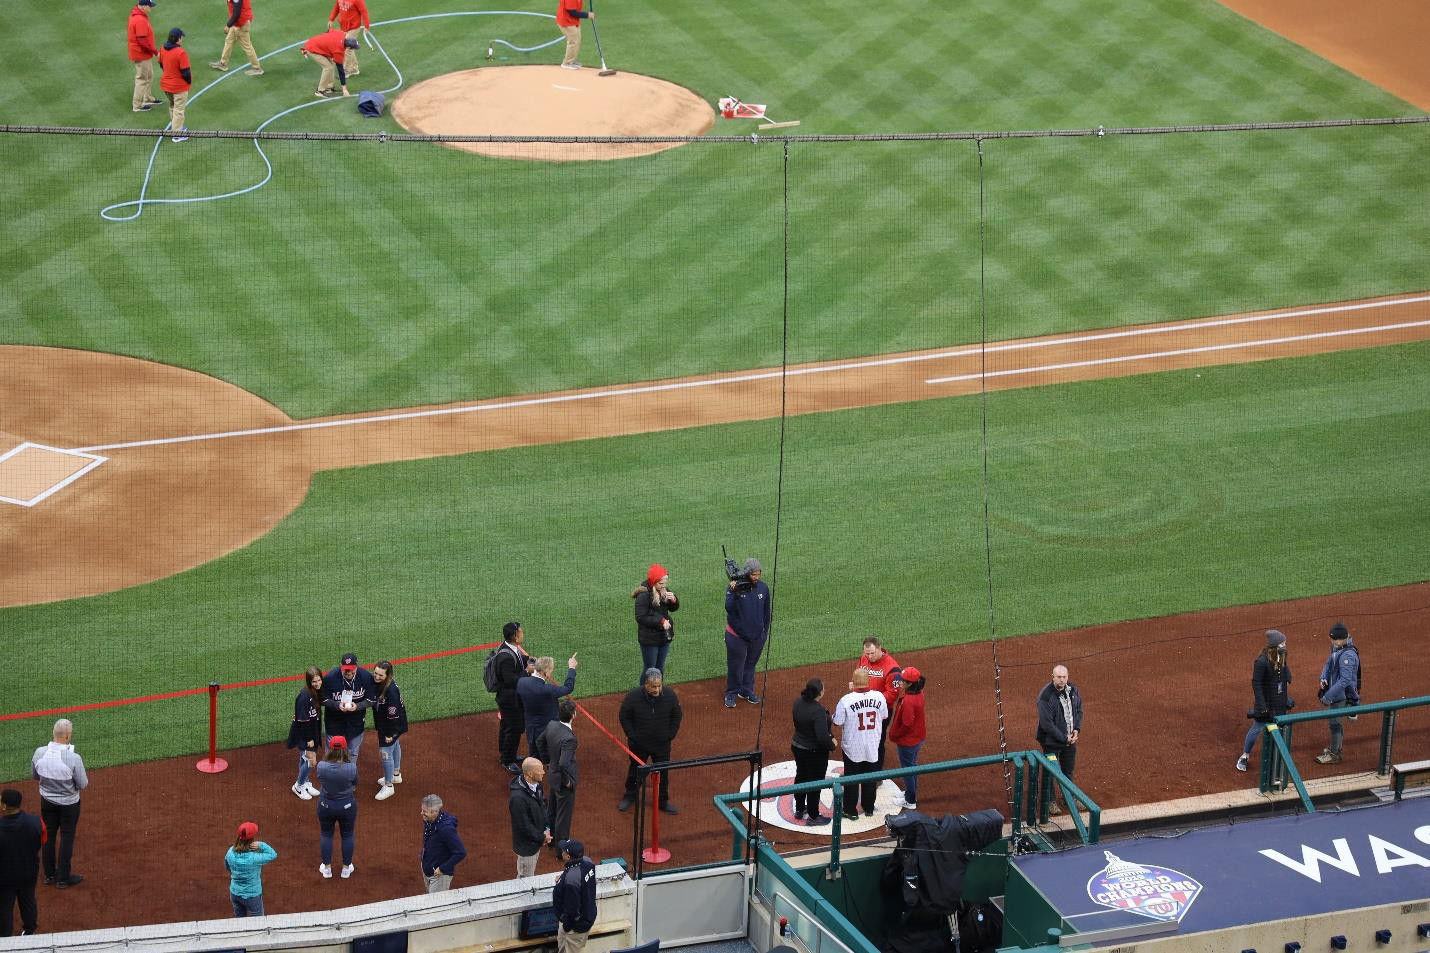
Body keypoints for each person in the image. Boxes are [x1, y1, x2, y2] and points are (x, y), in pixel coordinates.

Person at [32, 718, 87, 889]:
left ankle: (49, 875)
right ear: (68, 736)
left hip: (47, 802)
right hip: (69, 804)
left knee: (48, 836)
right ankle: (63, 878)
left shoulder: (39, 752)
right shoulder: (73, 757)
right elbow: (83, 784)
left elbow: (35, 775)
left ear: (53, 734)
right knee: (67, 837)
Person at [618, 669, 683, 814]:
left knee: (663, 773)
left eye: (659, 686)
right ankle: (630, 796)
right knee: (636, 771)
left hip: (662, 745)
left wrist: (670, 735)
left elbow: (677, 716)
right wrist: (632, 736)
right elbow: (624, 716)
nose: (657, 689)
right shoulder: (633, 697)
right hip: (639, 745)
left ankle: (662, 801)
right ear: (646, 684)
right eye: (654, 686)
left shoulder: (670, 696)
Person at [831, 669, 888, 819]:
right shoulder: (879, 697)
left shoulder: (846, 700)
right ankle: (869, 808)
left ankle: (850, 810)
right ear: (868, 681)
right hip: (872, 746)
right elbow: (884, 716)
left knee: (851, 779)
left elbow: (837, 721)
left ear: (853, 683)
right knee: (870, 778)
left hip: (852, 747)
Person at [1237, 631, 1292, 773]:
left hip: (1279, 700)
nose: (1285, 646)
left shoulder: (1281, 656)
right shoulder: (1261, 662)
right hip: (1266, 702)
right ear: (1274, 645)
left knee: (1279, 729)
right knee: (1257, 728)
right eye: (1282, 643)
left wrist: (1286, 698)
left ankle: (1276, 759)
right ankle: (1245, 755)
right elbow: (1256, 684)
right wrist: (1262, 706)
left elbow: (1283, 675)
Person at [724, 557, 772, 708]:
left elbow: (767, 612)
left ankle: (746, 690)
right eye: (753, 574)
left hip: (757, 637)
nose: (756, 577)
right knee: (735, 666)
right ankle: (731, 693)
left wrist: (764, 632)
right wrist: (732, 591)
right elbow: (729, 609)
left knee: (750, 665)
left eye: (758, 574)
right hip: (737, 636)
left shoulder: (763, 588)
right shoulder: (736, 588)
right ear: (747, 573)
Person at [1036, 664, 1084, 813]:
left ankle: (1068, 797)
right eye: (1059, 677)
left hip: (1069, 739)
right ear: (1053, 677)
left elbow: (1078, 710)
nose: (1062, 680)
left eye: (1064, 677)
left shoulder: (1073, 690)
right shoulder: (1045, 697)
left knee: (1068, 770)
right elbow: (1047, 724)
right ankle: (1049, 801)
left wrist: (1076, 729)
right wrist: (1064, 738)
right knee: (1050, 772)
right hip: (1051, 742)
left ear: (1067, 677)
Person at [790, 677, 835, 825]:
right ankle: (814, 816)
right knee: (815, 784)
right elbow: (822, 738)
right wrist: (832, 744)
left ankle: (799, 809)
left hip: (797, 747)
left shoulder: (797, 703)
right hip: (814, 753)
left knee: (801, 777)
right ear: (820, 692)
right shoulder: (818, 711)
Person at [0, 790, 44, 937]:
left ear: (4, 806)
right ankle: (30, 931)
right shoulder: (36, 822)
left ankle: (4, 938)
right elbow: (43, 840)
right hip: (29, 871)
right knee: (28, 900)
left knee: (5, 906)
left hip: (4, 876)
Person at [494, 621, 536, 774]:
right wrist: (527, 671)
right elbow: (510, 680)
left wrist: (528, 660)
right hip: (510, 700)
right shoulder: (505, 657)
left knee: (507, 725)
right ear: (515, 636)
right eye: (520, 631)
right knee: (515, 728)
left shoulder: (509, 647)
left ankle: (505, 752)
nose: (522, 633)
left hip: (509, 698)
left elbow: (517, 661)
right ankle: (507, 760)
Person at [1316, 622, 1361, 765]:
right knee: (1335, 722)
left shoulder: (1347, 654)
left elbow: (1345, 680)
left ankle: (1334, 754)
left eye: (1333, 639)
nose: (1331, 641)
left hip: (1341, 694)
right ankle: (1335, 748)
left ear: (1341, 639)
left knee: (1334, 722)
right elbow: (1329, 663)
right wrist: (1323, 677)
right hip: (1335, 690)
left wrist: (1328, 696)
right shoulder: (1338, 647)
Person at [539, 698, 580, 849]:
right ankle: (561, 849)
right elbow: (564, 763)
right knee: (563, 816)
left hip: (552, 775)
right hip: (563, 781)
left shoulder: (551, 725)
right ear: (573, 715)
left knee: (553, 809)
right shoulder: (570, 739)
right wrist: (567, 781)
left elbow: (539, 741)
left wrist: (548, 762)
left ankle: (552, 839)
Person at [315, 735, 358, 879]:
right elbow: (355, 783)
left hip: (325, 805)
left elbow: (320, 779)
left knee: (326, 834)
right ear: (345, 749)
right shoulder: (351, 767)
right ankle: (346, 869)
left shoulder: (321, 766)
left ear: (330, 748)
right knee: (347, 835)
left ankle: (327, 869)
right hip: (346, 806)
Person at [519, 654, 578, 758]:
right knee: (551, 757)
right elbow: (568, 688)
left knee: (534, 755)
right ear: (545, 672)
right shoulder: (548, 689)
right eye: (551, 670)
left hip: (531, 727)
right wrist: (572, 668)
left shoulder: (522, 682)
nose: (551, 672)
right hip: (547, 730)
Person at [853, 637, 901, 765]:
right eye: (866, 653)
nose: (869, 656)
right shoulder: (863, 658)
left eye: (872, 653)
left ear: (880, 649)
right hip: (862, 708)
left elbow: (892, 695)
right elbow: (858, 676)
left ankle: (876, 774)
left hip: (881, 712)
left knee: (877, 741)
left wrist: (870, 699)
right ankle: (862, 767)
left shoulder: (892, 668)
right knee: (861, 738)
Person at [322, 652, 375, 758]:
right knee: (332, 754)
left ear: (356, 666)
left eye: (351, 668)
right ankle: (331, 774)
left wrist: (357, 706)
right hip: (334, 722)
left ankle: (350, 774)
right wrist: (337, 705)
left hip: (356, 722)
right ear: (341, 666)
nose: (348, 671)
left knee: (353, 753)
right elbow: (322, 699)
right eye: (345, 668)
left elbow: (372, 700)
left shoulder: (366, 677)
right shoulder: (330, 678)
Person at [889, 666, 927, 811]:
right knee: (911, 766)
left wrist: (894, 735)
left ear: (910, 684)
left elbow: (906, 724)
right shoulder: (918, 692)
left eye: (903, 681)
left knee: (908, 769)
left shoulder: (909, 701)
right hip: (917, 737)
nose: (900, 682)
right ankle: (909, 793)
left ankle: (910, 800)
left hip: (908, 741)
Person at [633, 564, 678, 680]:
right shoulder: (643, 595)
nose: (664, 586)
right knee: (649, 669)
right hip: (649, 639)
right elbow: (641, 617)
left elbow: (673, 608)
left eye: (665, 583)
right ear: (653, 582)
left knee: (660, 668)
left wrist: (673, 600)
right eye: (661, 583)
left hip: (664, 636)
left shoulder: (663, 590)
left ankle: (658, 692)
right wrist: (661, 621)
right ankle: (644, 694)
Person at [552, 839, 598, 953]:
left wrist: (566, 927)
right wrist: (563, 878)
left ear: (568, 856)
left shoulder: (572, 879)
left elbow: (572, 911)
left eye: (563, 851)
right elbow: (580, 879)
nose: (561, 852)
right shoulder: (588, 863)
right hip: (587, 915)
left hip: (575, 928)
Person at [372, 660, 408, 801]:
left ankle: (388, 786)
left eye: (380, 675)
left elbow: (393, 715)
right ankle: (396, 775)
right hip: (393, 724)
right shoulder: (384, 684)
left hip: (390, 726)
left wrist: (389, 734)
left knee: (386, 752)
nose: (376, 677)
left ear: (388, 675)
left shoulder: (390, 691)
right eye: (375, 673)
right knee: (395, 746)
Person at [223, 821, 277, 917]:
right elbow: (273, 854)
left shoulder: (230, 852)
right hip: (252, 896)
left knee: (240, 920)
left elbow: (227, 866)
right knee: (258, 922)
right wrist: (261, 845)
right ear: (252, 839)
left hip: (235, 893)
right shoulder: (255, 858)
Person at [288, 666, 325, 800]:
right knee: (311, 761)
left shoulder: (315, 692)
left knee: (304, 759)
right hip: (305, 735)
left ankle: (305, 783)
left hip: (311, 731)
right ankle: (298, 786)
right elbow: (302, 721)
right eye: (314, 682)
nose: (317, 683)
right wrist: (309, 739)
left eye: (319, 680)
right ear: (309, 682)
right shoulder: (304, 697)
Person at [509, 757, 551, 878]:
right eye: (540, 770)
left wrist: (546, 828)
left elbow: (543, 806)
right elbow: (523, 826)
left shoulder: (537, 785)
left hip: (536, 840)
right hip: (526, 847)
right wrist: (542, 837)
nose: (543, 772)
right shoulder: (517, 799)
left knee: (529, 874)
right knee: (525, 879)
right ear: (530, 774)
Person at [419, 795, 467, 893]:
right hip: (428, 867)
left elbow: (461, 852)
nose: (421, 813)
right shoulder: (429, 820)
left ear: (435, 812)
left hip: (439, 876)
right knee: (430, 897)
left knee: (434, 904)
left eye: (425, 811)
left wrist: (442, 868)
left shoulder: (446, 829)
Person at [126, 0, 162, 112]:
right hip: (141, 54)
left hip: (144, 53)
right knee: (142, 79)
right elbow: (142, 40)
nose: (151, 8)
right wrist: (155, 52)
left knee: (149, 75)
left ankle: (147, 98)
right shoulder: (139, 19)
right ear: (143, 6)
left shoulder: (139, 15)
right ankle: (137, 105)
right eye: (150, 6)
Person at [302, 29, 360, 98]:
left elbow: (329, 30)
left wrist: (326, 42)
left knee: (332, 63)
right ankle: (319, 91)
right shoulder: (338, 51)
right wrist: (344, 89)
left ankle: (329, 88)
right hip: (312, 49)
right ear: (348, 47)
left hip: (317, 45)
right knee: (328, 67)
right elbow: (341, 70)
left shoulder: (341, 34)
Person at [210, 0, 263, 75]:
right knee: (229, 41)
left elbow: (237, 12)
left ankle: (257, 68)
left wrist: (228, 25)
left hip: (242, 23)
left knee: (247, 46)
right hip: (237, 23)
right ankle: (223, 64)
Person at [157, 28, 191, 143]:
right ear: (178, 39)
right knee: (179, 110)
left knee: (172, 106)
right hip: (178, 87)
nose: (182, 39)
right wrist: (188, 82)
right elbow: (186, 72)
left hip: (166, 85)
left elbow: (161, 64)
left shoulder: (162, 48)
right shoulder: (180, 52)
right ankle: (177, 134)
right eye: (181, 37)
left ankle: (176, 127)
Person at [327, 0, 370, 77]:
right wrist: (331, 19)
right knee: (349, 48)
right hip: (343, 26)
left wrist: (366, 25)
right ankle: (354, 68)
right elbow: (336, 7)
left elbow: (364, 11)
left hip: (354, 27)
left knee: (347, 48)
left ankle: (346, 70)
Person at [555, 0, 594, 70]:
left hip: (573, 21)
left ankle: (571, 60)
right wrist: (587, 15)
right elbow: (572, 12)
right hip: (566, 22)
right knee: (573, 41)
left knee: (577, 40)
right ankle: (566, 63)